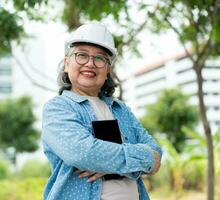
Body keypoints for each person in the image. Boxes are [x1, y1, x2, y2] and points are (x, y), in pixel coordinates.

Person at [42, 22, 162, 200]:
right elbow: (83, 153)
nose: (90, 63)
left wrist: (107, 162)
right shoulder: (58, 108)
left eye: (99, 58)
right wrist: (140, 159)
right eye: (81, 55)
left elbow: (156, 155)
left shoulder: (121, 110)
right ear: (67, 64)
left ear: (107, 70)